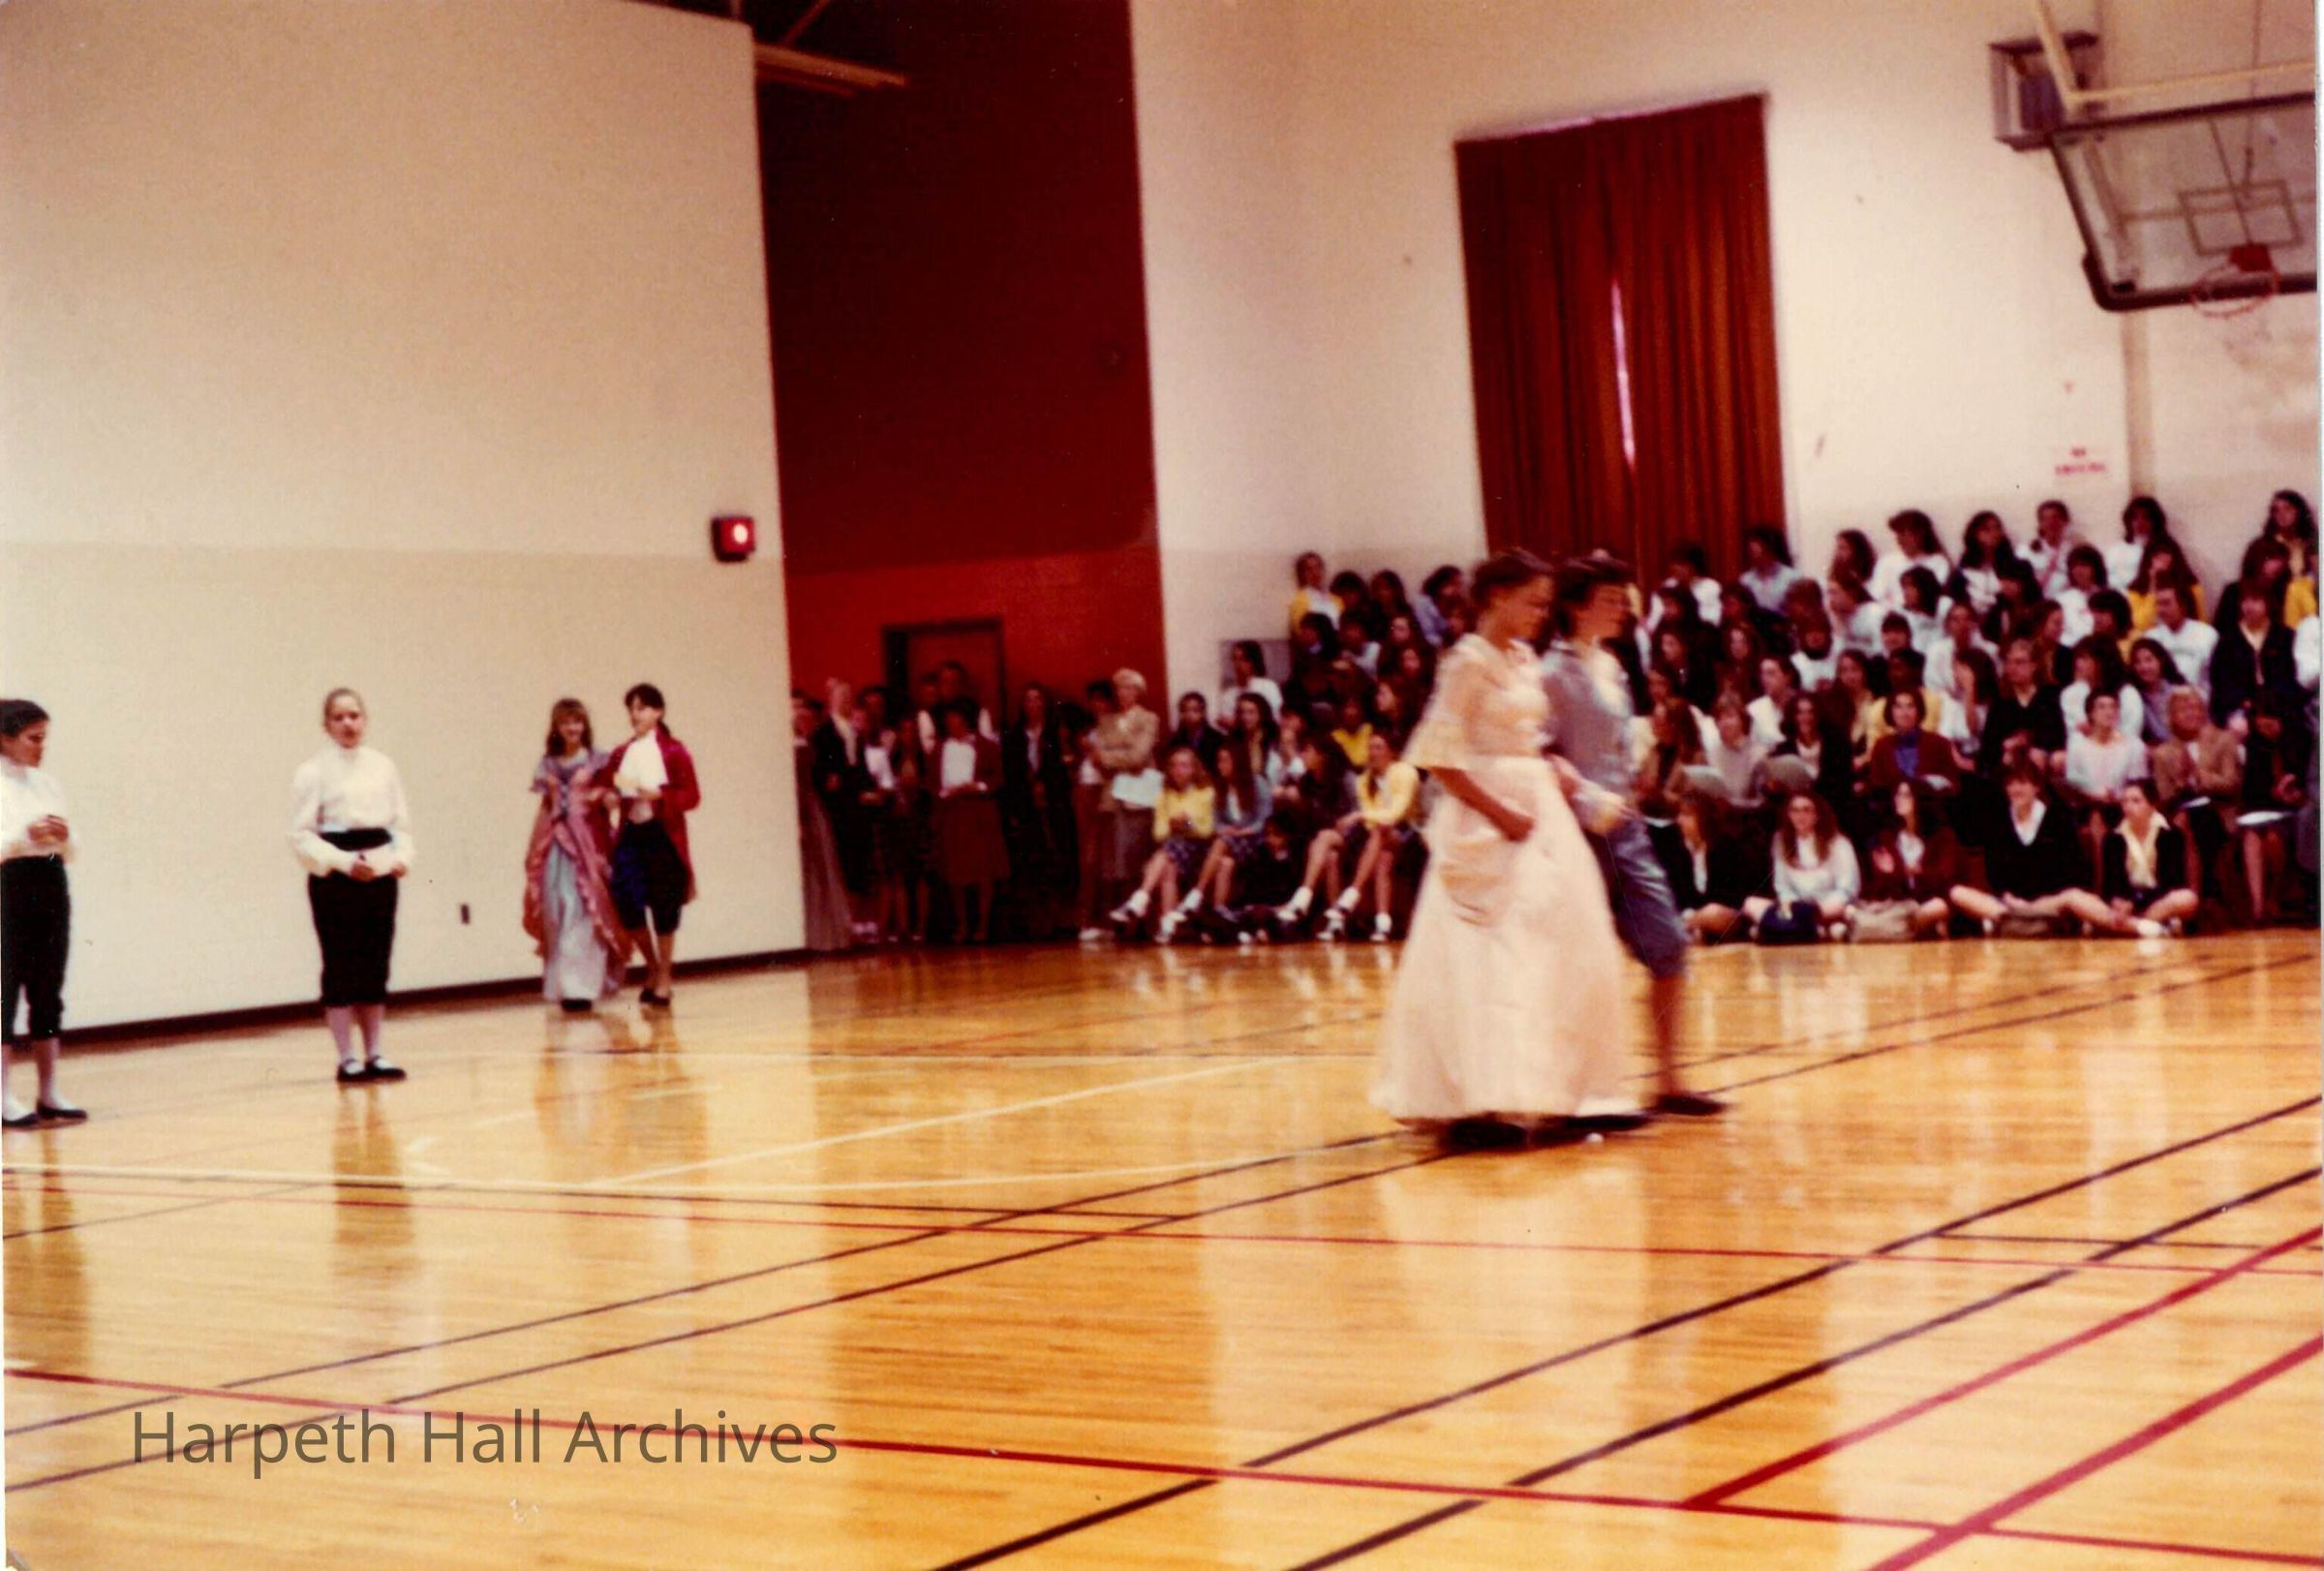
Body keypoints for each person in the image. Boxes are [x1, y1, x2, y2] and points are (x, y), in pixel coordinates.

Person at [1371, 551, 1638, 1147]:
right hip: (1488, 815)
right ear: (1496, 596)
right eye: (1532, 602)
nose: (1542, 615)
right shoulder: (1467, 662)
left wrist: (1557, 773)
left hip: (1537, 807)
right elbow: (1439, 756)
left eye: (1546, 605)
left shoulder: (1522, 658)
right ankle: (1484, 1101)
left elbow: (1528, 736)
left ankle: (1555, 1091)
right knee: (1493, 956)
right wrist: (1500, 812)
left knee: (1560, 945)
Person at [1543, 554, 1724, 1116]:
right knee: (1579, 961)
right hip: (1575, 832)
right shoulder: (1550, 673)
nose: (1622, 608)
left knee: (1667, 943)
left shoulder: (1614, 665)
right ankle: (1572, 1089)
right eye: (1609, 599)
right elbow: (1540, 751)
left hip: (1625, 826)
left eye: (1623, 599)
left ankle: (1669, 1080)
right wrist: (1583, 796)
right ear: (1576, 606)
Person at [290, 688, 413, 1080]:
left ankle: (375, 1053)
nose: (348, 723)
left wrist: (400, 858)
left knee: (376, 961)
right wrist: (344, 862)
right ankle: (347, 1058)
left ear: (365, 719)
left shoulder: (383, 766)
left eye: (354, 715)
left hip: (377, 871)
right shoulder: (313, 771)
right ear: (326, 724)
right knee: (341, 963)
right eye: (339, 717)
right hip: (337, 876)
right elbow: (301, 835)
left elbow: (399, 825)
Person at [1, 700, 83, 1125]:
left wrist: (64, 837)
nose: (41, 747)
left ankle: (49, 1090)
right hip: (8, 885)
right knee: (5, 989)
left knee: (48, 987)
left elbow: (71, 850)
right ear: (5, 739)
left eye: (43, 738)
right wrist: (23, 835)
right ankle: (2, 1095)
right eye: (33, 738)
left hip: (49, 881)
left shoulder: (47, 785)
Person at [604, 683, 699, 1006]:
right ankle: (653, 966)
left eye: (641, 708)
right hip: (632, 833)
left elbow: (692, 795)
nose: (635, 715)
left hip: (662, 834)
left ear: (658, 711)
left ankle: (665, 976)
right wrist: (611, 796)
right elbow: (613, 782)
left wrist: (662, 796)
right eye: (631, 709)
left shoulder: (675, 751)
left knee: (664, 905)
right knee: (627, 901)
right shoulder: (622, 752)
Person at [526, 698, 627, 1005]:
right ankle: (563, 986)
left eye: (577, 721)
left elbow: (615, 790)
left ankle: (582, 987)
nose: (572, 727)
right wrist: (536, 847)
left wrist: (609, 797)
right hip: (556, 841)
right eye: (566, 722)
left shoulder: (599, 760)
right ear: (556, 727)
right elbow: (546, 806)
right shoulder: (548, 763)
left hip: (588, 841)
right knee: (557, 907)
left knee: (584, 908)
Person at [1949, 765, 2089, 934]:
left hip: (2048, 903)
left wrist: (2039, 902)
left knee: (2073, 897)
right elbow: (1994, 871)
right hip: (2009, 905)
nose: (2016, 789)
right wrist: (2008, 898)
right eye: (2011, 784)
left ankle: (2024, 923)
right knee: (1958, 893)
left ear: (2036, 787)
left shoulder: (2058, 819)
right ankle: (2021, 922)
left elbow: (2072, 869)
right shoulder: (1998, 822)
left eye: (2022, 783)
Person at [1318, 731, 1422, 943]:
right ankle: (1382, 925)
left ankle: (1352, 893)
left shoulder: (1405, 772)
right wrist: (1368, 818)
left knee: (1380, 831)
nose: (1372, 753)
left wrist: (1360, 815)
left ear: (1392, 752)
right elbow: (1371, 822)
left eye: (1378, 747)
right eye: (1370, 748)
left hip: (1410, 833)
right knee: (1382, 857)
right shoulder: (1364, 780)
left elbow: (1396, 813)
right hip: (1379, 834)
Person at [1000, 683, 1079, 941]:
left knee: (1060, 857)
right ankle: (1036, 921)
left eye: (1037, 699)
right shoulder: (1014, 735)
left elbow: (1064, 766)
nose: (1033, 705)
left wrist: (1046, 784)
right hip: (1026, 806)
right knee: (1032, 862)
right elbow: (1011, 772)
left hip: (1056, 803)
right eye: (1028, 700)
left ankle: (1062, 918)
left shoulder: (1057, 732)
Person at [1086, 668, 1161, 932]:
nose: (1123, 693)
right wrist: (1121, 753)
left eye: (1129, 687)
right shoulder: (1106, 720)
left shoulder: (1149, 718)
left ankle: (1140, 921)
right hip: (1111, 796)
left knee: (1136, 855)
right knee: (1113, 862)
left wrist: (1111, 754)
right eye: (1119, 688)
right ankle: (1119, 922)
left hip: (1138, 796)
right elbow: (1097, 759)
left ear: (1139, 691)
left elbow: (1139, 757)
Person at [2152, 685, 2240, 904]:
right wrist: (2181, 783)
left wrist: (2199, 775)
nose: (2191, 714)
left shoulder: (2224, 740)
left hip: (2218, 808)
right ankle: (2191, 896)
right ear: (2171, 716)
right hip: (2180, 812)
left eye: (2195, 708)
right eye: (2183, 709)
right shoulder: (2162, 753)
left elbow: (2232, 784)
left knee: (2196, 821)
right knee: (2181, 824)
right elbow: (2164, 797)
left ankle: (2198, 894)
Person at [1178, 739, 1273, 938]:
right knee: (1225, 864)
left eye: (1225, 760)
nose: (1220, 765)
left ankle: (1197, 892)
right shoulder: (1220, 787)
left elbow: (1265, 818)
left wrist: (1243, 832)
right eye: (1219, 761)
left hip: (1254, 840)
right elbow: (1216, 821)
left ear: (1237, 762)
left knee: (1222, 842)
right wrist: (1224, 829)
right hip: (1232, 841)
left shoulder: (1257, 783)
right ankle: (1218, 916)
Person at [933, 701, 1009, 943]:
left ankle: (983, 925)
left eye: (955, 717)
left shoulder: (987, 746)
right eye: (948, 718)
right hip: (951, 812)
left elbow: (998, 778)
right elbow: (932, 780)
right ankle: (962, 924)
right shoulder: (940, 748)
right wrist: (945, 793)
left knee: (983, 871)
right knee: (955, 873)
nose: (951, 722)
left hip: (978, 811)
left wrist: (977, 787)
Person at [1744, 791, 1860, 942]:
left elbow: (1847, 889)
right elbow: (1782, 886)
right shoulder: (1780, 841)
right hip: (1796, 907)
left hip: (1827, 906)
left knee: (1842, 909)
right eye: (1795, 810)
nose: (1800, 815)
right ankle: (1812, 930)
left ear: (1817, 815)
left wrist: (1816, 909)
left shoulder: (1839, 843)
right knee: (1750, 904)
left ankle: (1781, 929)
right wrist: (1793, 907)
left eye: (1806, 810)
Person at [791, 693, 856, 954]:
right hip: (803, 805)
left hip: (809, 806)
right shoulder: (799, 744)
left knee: (818, 868)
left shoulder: (806, 745)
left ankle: (820, 933)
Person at [2094, 780, 2199, 937]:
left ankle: (2132, 925)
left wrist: (2135, 903)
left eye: (2136, 801)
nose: (2128, 806)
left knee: (2188, 899)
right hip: (2123, 904)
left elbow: (2173, 882)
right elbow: (2110, 884)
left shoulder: (2170, 835)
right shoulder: (2113, 838)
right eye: (2125, 801)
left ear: (2152, 805)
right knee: (2082, 902)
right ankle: (2151, 927)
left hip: (2157, 902)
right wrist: (2118, 901)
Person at [1864, 778, 1963, 938]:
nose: (1899, 799)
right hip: (1903, 904)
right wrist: (1890, 873)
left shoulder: (1942, 836)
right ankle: (1910, 929)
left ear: (1920, 800)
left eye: (1906, 795)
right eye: (1897, 795)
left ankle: (1905, 928)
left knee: (1938, 906)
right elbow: (1886, 889)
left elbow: (1947, 878)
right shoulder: (1889, 837)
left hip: (1933, 900)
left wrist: (1918, 871)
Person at [1659, 789, 1758, 943]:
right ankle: (1691, 931)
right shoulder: (1677, 849)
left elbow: (1731, 898)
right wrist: (1690, 914)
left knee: (1713, 913)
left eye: (1687, 815)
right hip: (1692, 915)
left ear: (1703, 818)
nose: (1679, 820)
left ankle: (1680, 930)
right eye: (1679, 815)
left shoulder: (1725, 847)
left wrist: (1696, 916)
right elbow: (1678, 894)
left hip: (1727, 914)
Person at [2147, 582, 2218, 698]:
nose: (2161, 609)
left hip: (2199, 699)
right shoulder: (2151, 637)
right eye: (2158, 604)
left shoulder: (2207, 634)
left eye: (2166, 603)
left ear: (2183, 605)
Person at [1736, 525, 1802, 613]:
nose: (1753, 556)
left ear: (1770, 550)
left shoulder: (1792, 578)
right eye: (1751, 552)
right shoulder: (1745, 580)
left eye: (1757, 552)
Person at [1217, 640, 1284, 725]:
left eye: (1243, 659)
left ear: (1253, 662)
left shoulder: (1268, 686)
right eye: (1235, 659)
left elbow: (1276, 718)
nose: (1237, 664)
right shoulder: (1229, 693)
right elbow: (1224, 719)